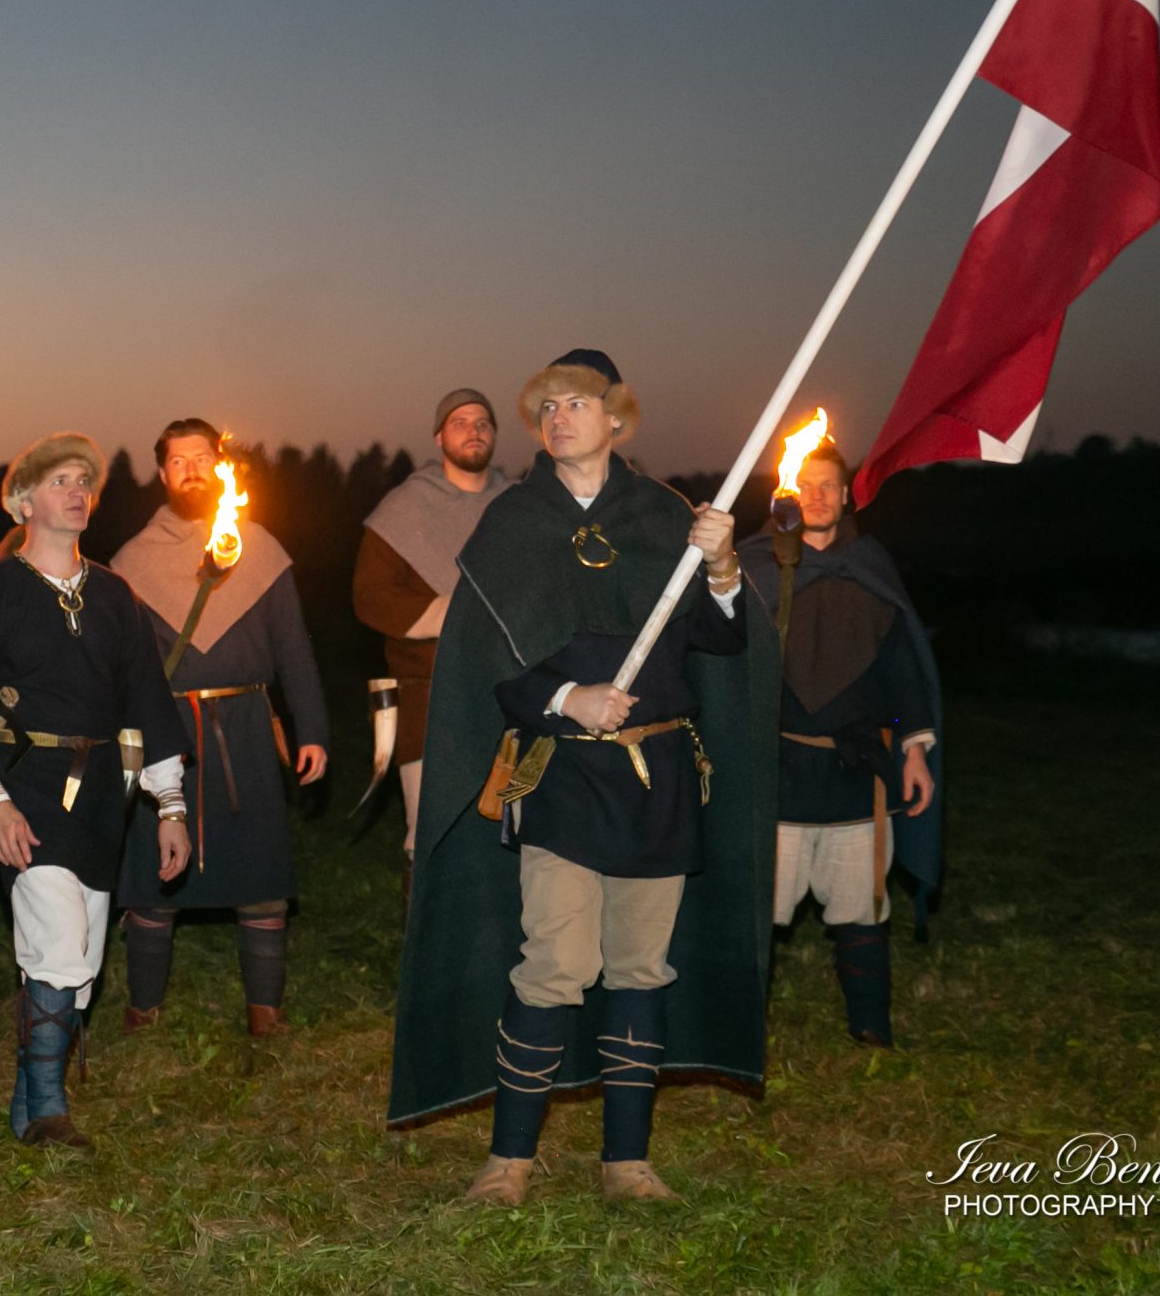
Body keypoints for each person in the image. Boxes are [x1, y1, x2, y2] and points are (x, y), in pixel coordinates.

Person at [389, 351, 779, 1207]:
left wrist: (721, 567)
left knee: (641, 968)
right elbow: (487, 663)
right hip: (562, 778)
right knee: (553, 964)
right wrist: (570, 697)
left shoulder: (666, 514)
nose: (559, 417)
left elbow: (720, 639)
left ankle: (626, 1163)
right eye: (548, 406)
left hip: (657, 780)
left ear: (616, 418)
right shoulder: (513, 520)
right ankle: (509, 1162)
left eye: (577, 403)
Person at [0, 433, 189, 1146]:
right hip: (26, 786)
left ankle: (28, 1101)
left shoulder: (114, 594)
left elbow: (148, 700)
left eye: (84, 481)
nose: (77, 492)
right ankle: (50, 1111)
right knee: (58, 942)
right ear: (23, 503)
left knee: (80, 964)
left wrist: (170, 804)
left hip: (102, 794)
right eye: (59, 482)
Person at [111, 420, 328, 1036]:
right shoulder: (131, 561)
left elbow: (293, 646)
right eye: (178, 461)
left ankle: (265, 1014)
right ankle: (143, 1010)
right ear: (162, 473)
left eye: (202, 458)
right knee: (154, 879)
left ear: (220, 464)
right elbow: (121, 664)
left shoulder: (258, 548)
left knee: (259, 875)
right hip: (167, 732)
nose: (192, 471)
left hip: (248, 727)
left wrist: (312, 728)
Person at [739, 438, 941, 1047]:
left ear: (847, 494)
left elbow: (903, 667)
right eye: (805, 485)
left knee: (862, 908)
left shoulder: (869, 564)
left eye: (828, 484)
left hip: (859, 774)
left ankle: (871, 1031)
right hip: (777, 770)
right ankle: (741, 1038)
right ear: (786, 492)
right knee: (758, 913)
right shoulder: (753, 565)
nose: (818, 495)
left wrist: (913, 751)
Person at [352, 388, 507, 857]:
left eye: (482, 423)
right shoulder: (405, 506)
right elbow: (370, 597)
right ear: (439, 437)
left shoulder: (518, 507)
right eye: (460, 423)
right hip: (430, 700)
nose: (473, 431)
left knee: (512, 843)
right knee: (431, 841)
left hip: (511, 700)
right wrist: (458, 614)